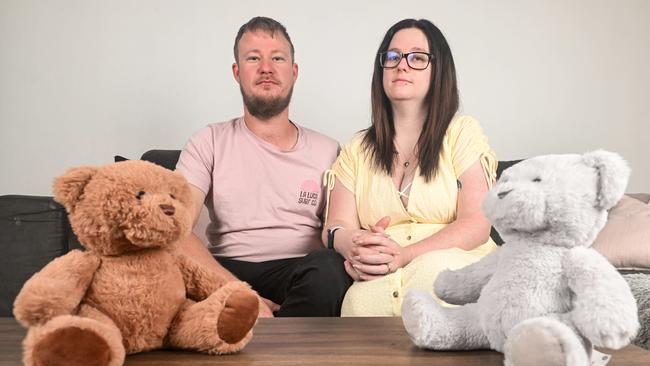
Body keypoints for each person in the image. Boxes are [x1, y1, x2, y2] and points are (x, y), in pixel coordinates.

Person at [175, 16, 352, 318]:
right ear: (237, 72)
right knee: (171, 273)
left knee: (331, 270)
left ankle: (266, 346)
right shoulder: (209, 141)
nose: (266, 68)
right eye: (253, 58)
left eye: (277, 58)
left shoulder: (330, 150)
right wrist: (242, 296)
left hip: (301, 273)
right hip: (225, 270)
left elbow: (341, 229)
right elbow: (176, 229)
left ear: (294, 72)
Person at [322, 18, 498, 316]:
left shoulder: (461, 133)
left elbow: (478, 224)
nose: (401, 65)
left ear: (438, 70)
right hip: (375, 281)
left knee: (435, 274)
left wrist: (404, 255)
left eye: (417, 57)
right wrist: (355, 244)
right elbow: (335, 225)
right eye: (392, 57)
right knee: (357, 305)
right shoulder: (355, 150)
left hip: (450, 274)